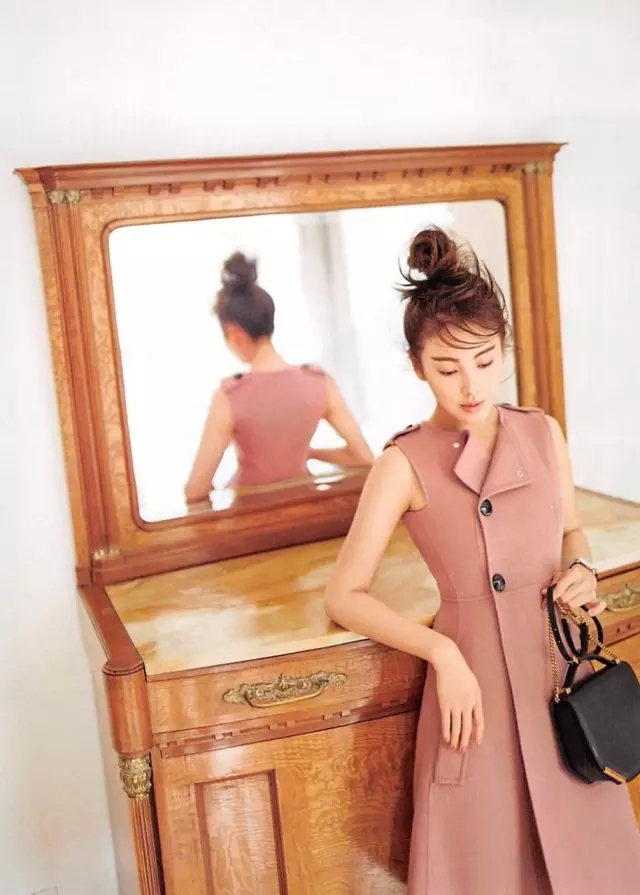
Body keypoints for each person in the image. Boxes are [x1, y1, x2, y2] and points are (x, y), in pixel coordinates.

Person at [324, 227, 640, 894]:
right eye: (447, 368)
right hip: (476, 698)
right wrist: (442, 653)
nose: (470, 384)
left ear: (504, 348)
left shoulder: (541, 431)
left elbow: (571, 530)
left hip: (561, 680)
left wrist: (581, 570)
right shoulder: (403, 462)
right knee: (490, 869)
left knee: (593, 866)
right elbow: (344, 593)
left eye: (484, 359)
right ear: (417, 366)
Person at [185, 252, 373, 503]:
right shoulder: (319, 382)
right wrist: (310, 453)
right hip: (307, 511)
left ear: (234, 332)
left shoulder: (229, 396)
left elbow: (195, 490)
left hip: (250, 517)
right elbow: (365, 459)